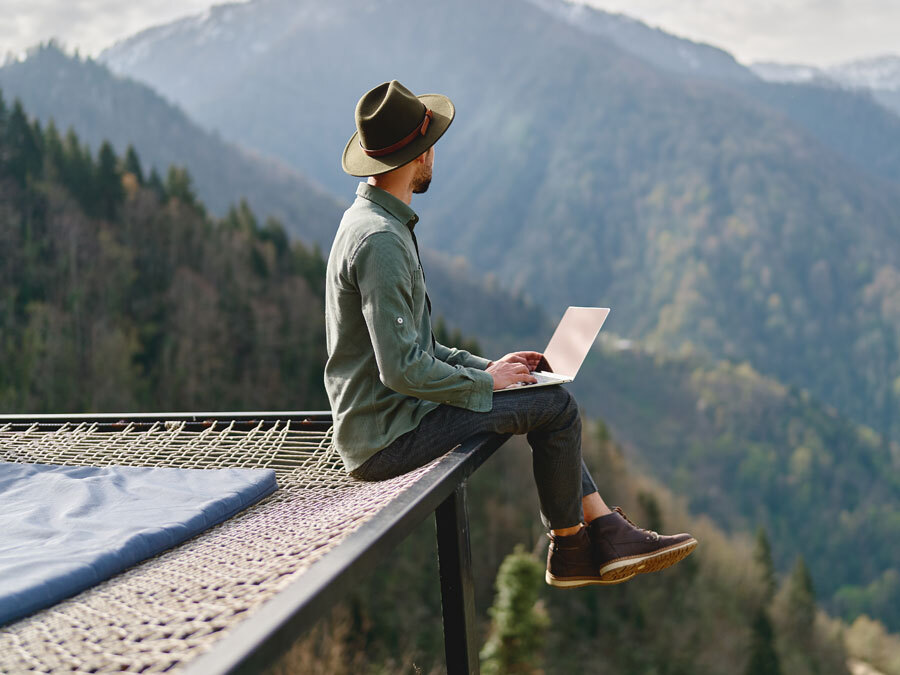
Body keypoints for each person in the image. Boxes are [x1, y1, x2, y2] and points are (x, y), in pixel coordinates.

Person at [324, 80, 697, 587]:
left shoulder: (373, 222)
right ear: (419, 154)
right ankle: (572, 547)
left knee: (541, 392)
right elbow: (401, 369)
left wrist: (494, 369)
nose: (435, 154)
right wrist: (486, 386)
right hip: (386, 439)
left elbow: (420, 349)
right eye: (431, 144)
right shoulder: (380, 241)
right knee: (556, 407)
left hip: (390, 420)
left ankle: (601, 530)